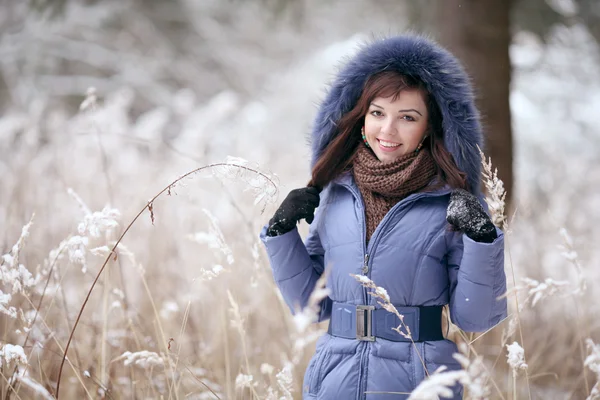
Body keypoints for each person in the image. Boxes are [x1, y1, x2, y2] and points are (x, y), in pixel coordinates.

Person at [259, 34, 507, 400]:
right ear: (361, 118)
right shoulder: (335, 192)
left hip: (421, 381)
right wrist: (282, 235)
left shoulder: (451, 203)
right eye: (377, 113)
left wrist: (483, 240)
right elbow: (310, 307)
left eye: (407, 117)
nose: (387, 130)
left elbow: (476, 319)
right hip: (334, 379)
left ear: (429, 127)